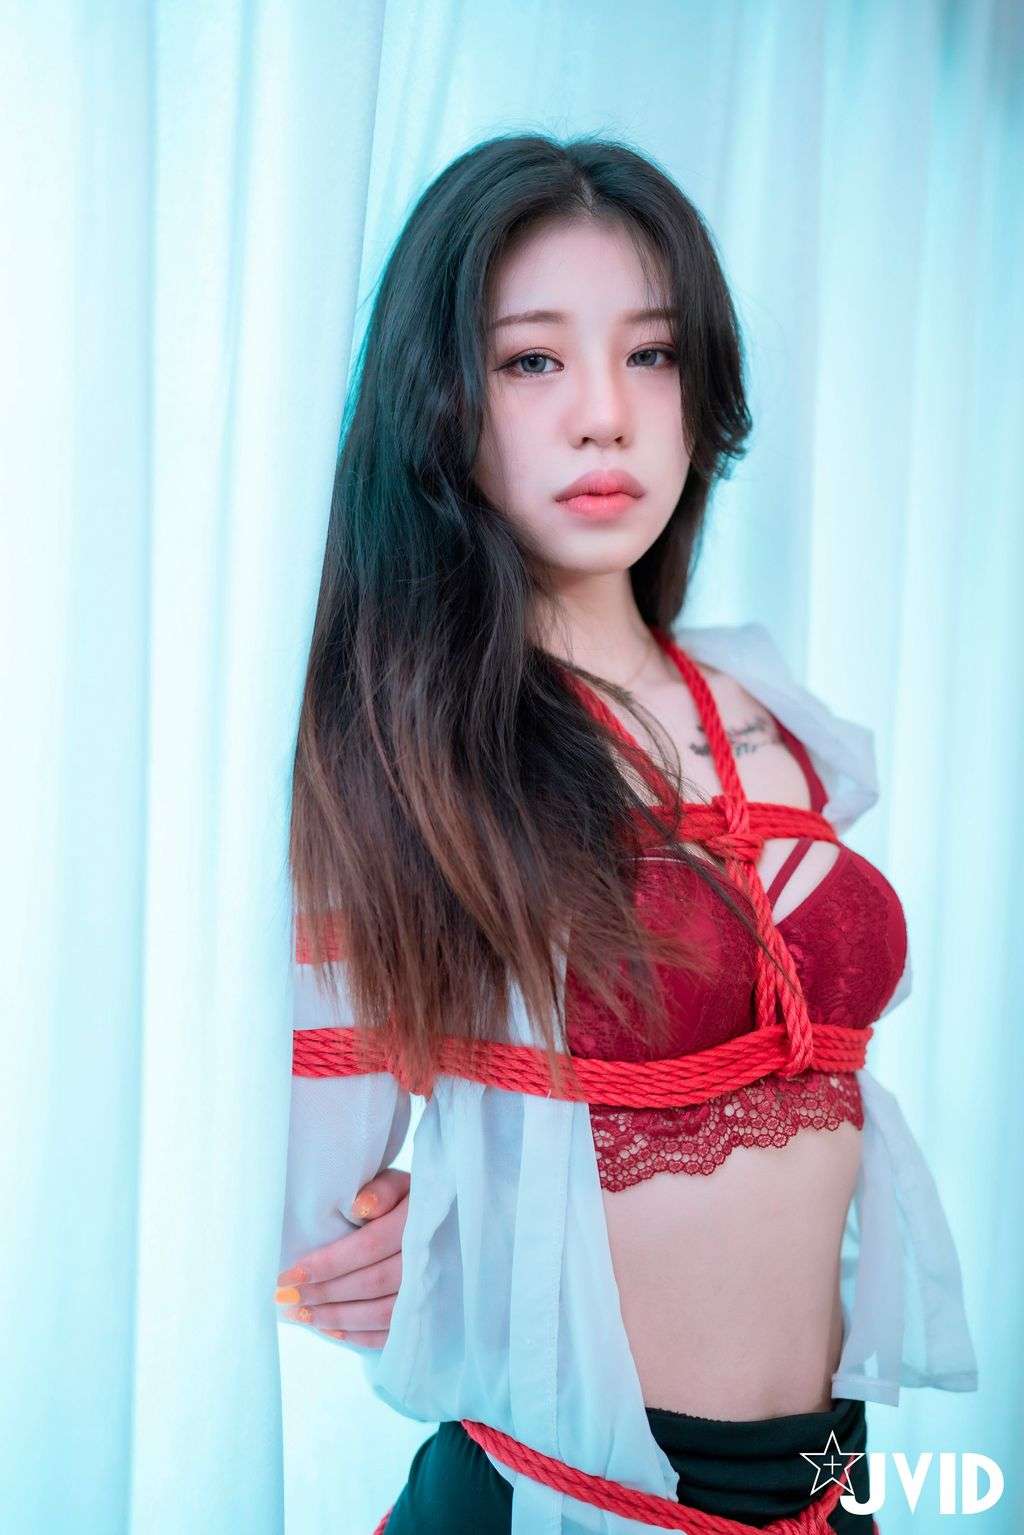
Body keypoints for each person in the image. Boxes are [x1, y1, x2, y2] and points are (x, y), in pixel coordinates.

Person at [274, 133, 978, 1534]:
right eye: (532, 360)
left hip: (825, 1485)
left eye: (650, 354)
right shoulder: (406, 754)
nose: (604, 416)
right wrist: (377, 1250)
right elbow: (305, 1226)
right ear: (439, 401)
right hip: (560, 1494)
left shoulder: (771, 713)